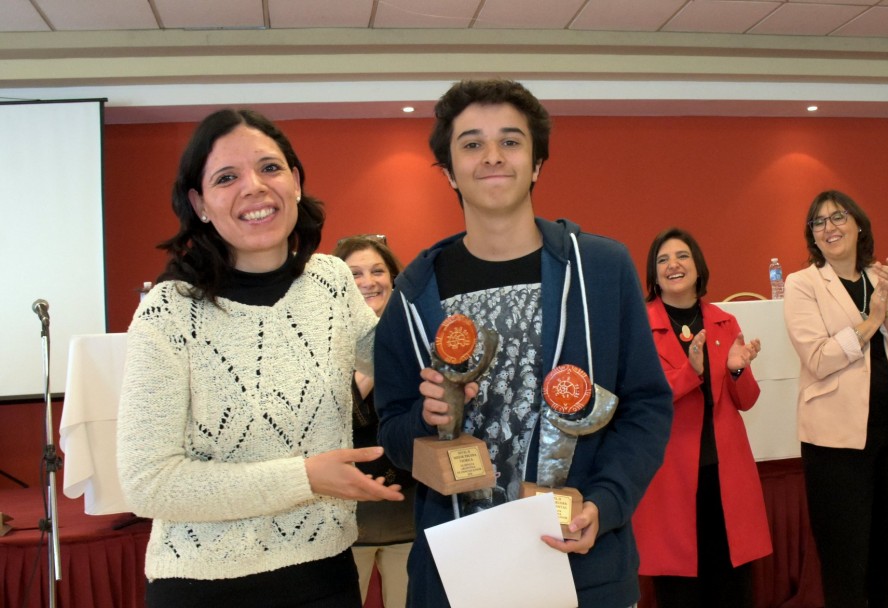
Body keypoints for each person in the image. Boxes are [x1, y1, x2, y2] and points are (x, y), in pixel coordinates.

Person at [373, 79, 673, 608]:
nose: (492, 156)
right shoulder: (413, 296)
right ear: (448, 171)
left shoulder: (600, 271)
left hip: (582, 564)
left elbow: (646, 406)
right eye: (471, 144)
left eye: (510, 141)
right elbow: (393, 436)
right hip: (458, 573)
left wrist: (605, 503)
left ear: (536, 164)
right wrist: (427, 418)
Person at [116, 109, 403, 608]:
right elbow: (148, 484)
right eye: (226, 177)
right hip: (204, 585)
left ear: (294, 182)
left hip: (324, 574)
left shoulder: (331, 282)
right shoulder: (168, 312)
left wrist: (445, 380)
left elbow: (394, 367)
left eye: (270, 168)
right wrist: (305, 477)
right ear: (199, 203)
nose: (254, 187)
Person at [783, 190, 888, 608]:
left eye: (838, 217)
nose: (829, 228)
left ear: (859, 224)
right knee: (846, 559)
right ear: (812, 236)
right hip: (835, 443)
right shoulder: (802, 284)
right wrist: (872, 322)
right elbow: (818, 357)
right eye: (819, 222)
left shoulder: (884, 276)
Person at [632, 227, 771, 607]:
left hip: (725, 473)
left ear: (698, 268)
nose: (673, 265)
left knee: (731, 582)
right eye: (662, 260)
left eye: (682, 257)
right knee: (681, 587)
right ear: (653, 274)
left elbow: (747, 400)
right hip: (670, 475)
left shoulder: (723, 321)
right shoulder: (640, 326)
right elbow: (643, 398)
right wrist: (691, 371)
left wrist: (738, 370)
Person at [332, 235, 415, 608]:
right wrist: (371, 364)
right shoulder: (320, 344)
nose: (368, 281)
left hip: (407, 516)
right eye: (355, 274)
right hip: (343, 524)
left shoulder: (417, 341)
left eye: (378, 271)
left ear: (393, 278)